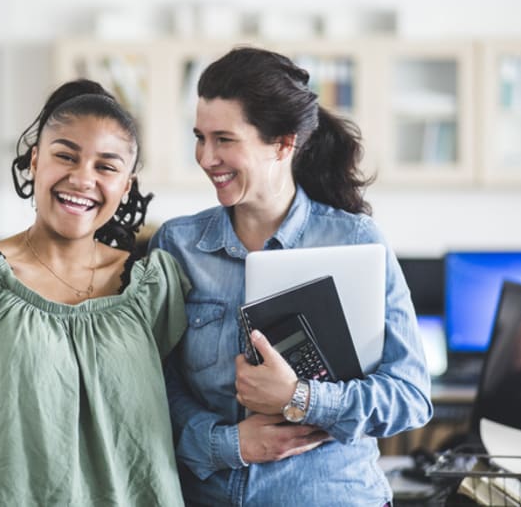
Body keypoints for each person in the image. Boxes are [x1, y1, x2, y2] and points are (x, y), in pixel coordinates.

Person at [149, 47, 433, 506]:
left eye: (224, 139)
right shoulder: (178, 246)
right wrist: (231, 443)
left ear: (284, 144)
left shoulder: (357, 240)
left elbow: (409, 397)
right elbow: (155, 390)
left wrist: (301, 398)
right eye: (200, 137)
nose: (205, 157)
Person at [0, 79, 189, 506]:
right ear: (36, 161)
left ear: (126, 186)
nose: (82, 178)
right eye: (66, 156)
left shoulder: (154, 287)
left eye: (106, 166)